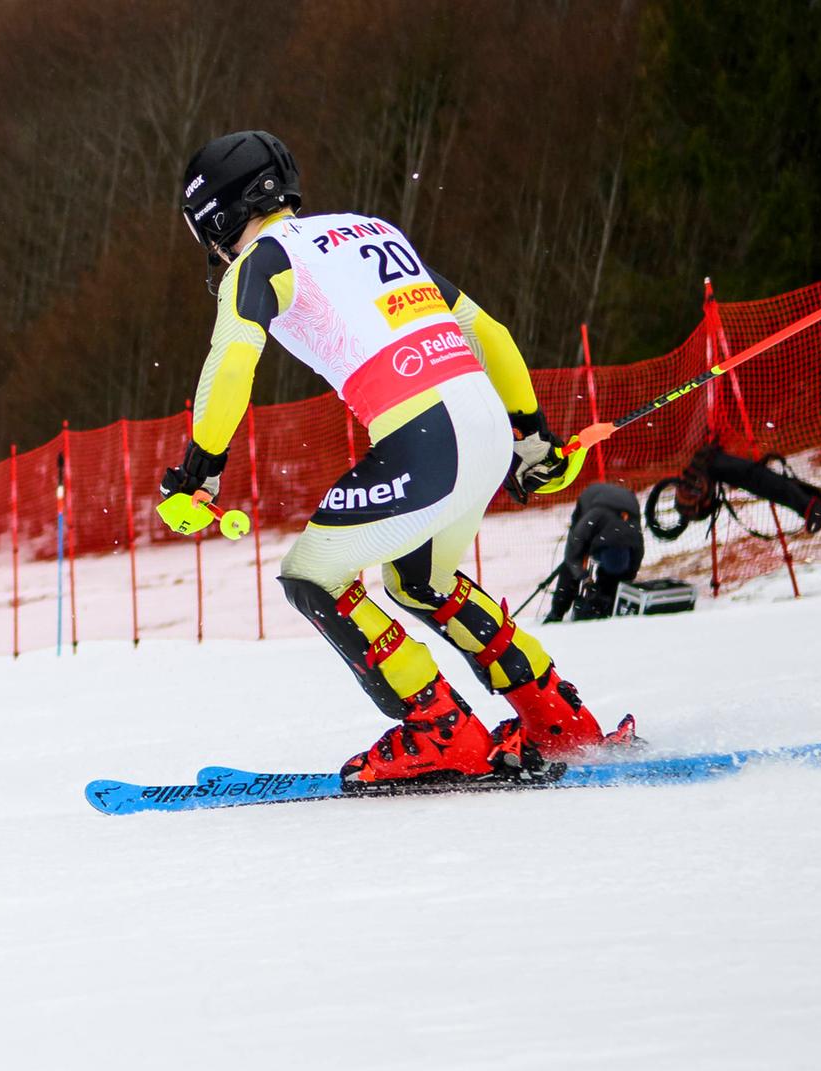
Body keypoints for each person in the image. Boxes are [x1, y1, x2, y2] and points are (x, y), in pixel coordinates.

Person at [160, 130, 630, 789]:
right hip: (483, 424)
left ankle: (439, 731)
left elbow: (233, 358)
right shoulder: (368, 230)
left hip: (427, 435)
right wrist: (533, 439)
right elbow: (486, 332)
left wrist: (200, 470)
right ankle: (557, 719)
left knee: (313, 577)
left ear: (216, 216)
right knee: (421, 582)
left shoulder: (259, 263)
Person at [545, 481, 644, 622]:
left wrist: (622, 586)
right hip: (591, 500)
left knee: (612, 579)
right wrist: (583, 577)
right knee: (571, 566)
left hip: (625, 505)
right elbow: (572, 556)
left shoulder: (635, 541)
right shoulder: (589, 522)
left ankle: (604, 604)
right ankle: (557, 612)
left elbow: (632, 568)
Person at [676, 440, 821, 533]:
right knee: (753, 477)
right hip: (710, 458)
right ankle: (806, 502)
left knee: (753, 477)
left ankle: (806, 503)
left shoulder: (708, 465)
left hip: (712, 456)